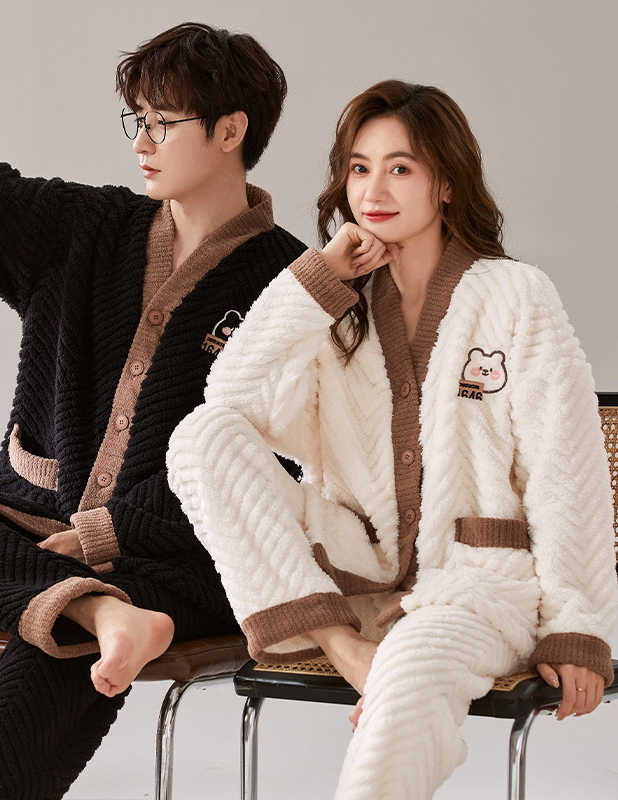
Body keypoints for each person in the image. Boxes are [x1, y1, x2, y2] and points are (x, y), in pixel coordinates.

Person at [0, 22, 305, 800]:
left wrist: (107, 537)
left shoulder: (295, 286)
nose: (140, 140)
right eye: (136, 118)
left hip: (176, 564)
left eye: (163, 122)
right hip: (33, 540)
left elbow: (262, 468)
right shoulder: (81, 230)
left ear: (230, 131)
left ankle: (97, 611)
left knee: (46, 656)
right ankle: (100, 614)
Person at [168, 79, 617, 799]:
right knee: (199, 436)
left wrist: (578, 627)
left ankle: (387, 670)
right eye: (359, 167)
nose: (373, 190)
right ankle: (346, 648)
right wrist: (319, 278)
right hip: (347, 580)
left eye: (400, 167)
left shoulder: (515, 296)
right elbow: (230, 404)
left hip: (474, 592)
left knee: (409, 677)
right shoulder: (334, 305)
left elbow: (569, 472)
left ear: (447, 183)